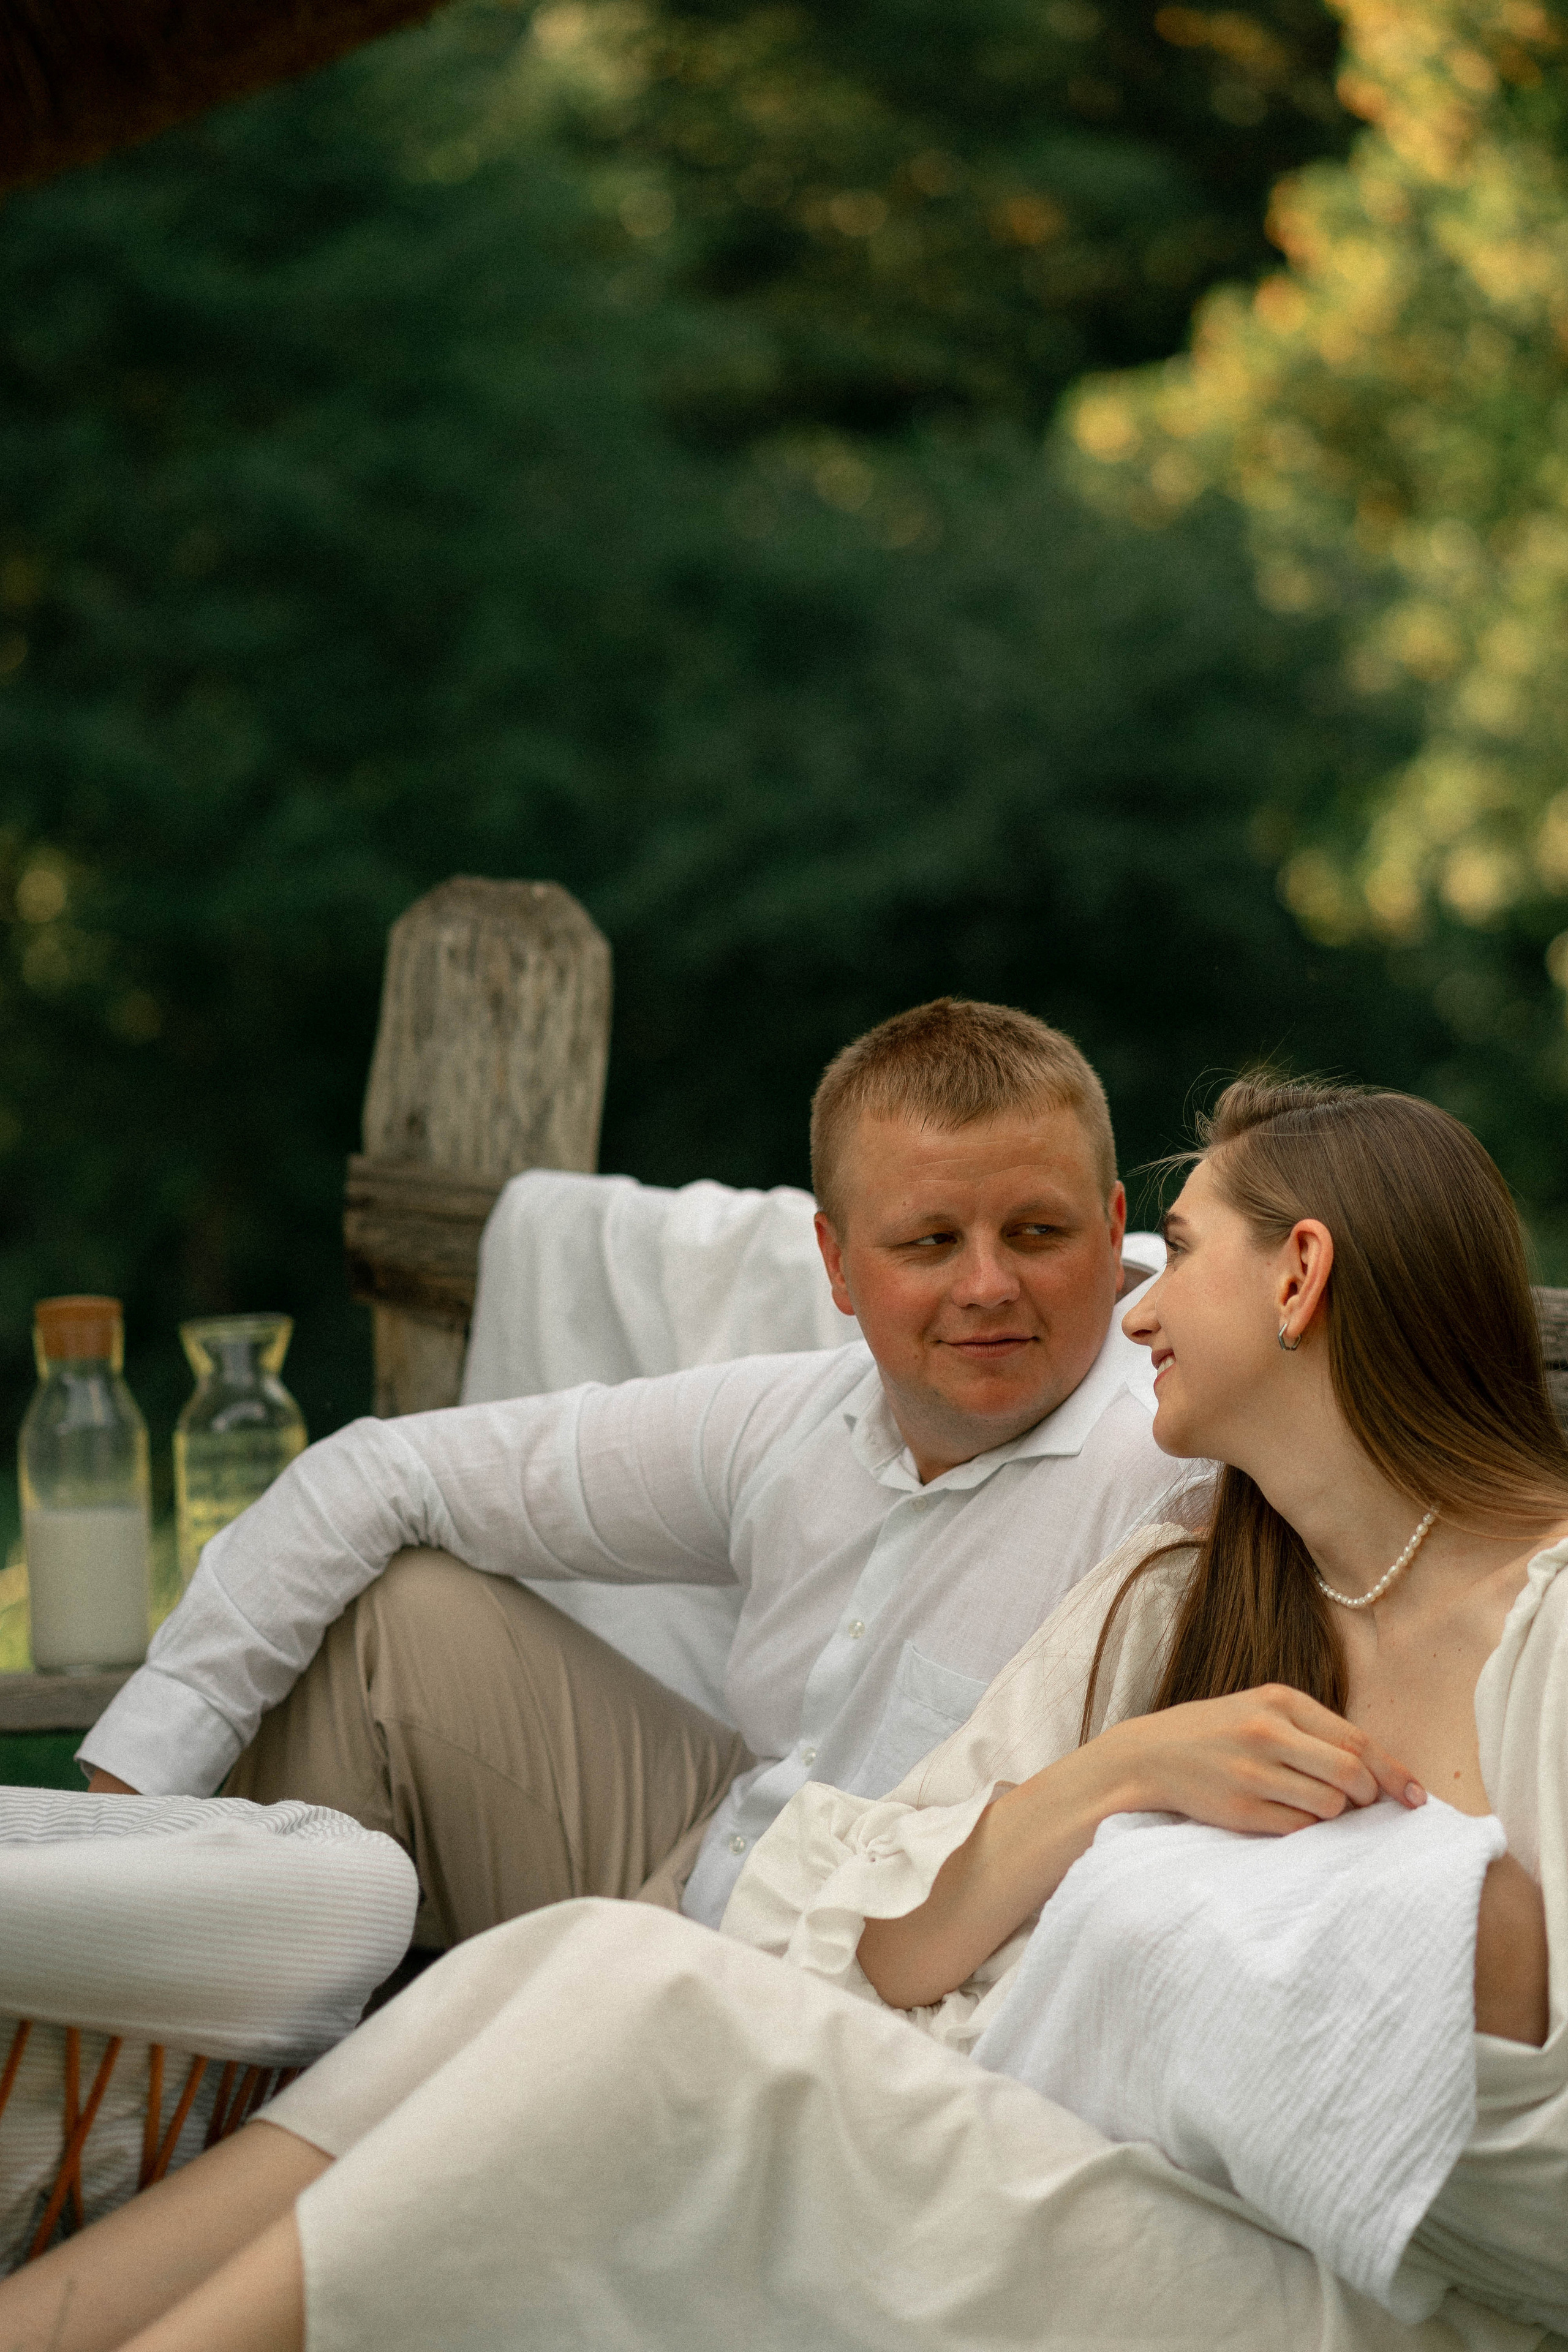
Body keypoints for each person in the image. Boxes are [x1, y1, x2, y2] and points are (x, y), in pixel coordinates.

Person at [6, 1073, 1562, 2352]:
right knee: (582, 1957)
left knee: (641, 2012)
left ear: (1295, 1276)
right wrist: (1111, 1779)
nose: (1137, 1307)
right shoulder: (1175, 1597)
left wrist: (1413, 1971)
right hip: (1067, 2149)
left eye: (1167, 1252)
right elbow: (887, 1931)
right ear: (836, 1264)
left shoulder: (1535, 1626)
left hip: (1348, 2288)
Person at [80, 998, 1187, 1944]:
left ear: (1114, 1228)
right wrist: (123, 1806)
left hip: (879, 1991)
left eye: (1038, 1233)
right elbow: (382, 1473)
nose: (989, 1285)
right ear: (838, 1266)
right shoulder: (791, 1419)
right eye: (931, 1242)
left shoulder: (1173, 1468)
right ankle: (173, 2013)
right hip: (703, 1864)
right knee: (396, 1618)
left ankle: (208, 2098)